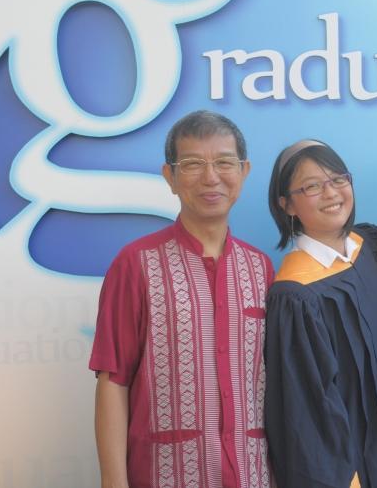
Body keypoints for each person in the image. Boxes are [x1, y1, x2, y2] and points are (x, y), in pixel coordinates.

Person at [89, 111, 273, 488]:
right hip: (164, 475)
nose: (211, 177)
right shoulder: (136, 263)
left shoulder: (261, 268)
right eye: (192, 164)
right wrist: (113, 481)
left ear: (244, 171)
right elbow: (113, 380)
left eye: (224, 162)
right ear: (170, 177)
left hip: (252, 475)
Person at [264, 139, 377, 488]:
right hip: (355, 470)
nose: (331, 193)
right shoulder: (295, 296)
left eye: (338, 179)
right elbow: (307, 415)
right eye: (312, 186)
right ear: (286, 204)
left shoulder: (370, 248)